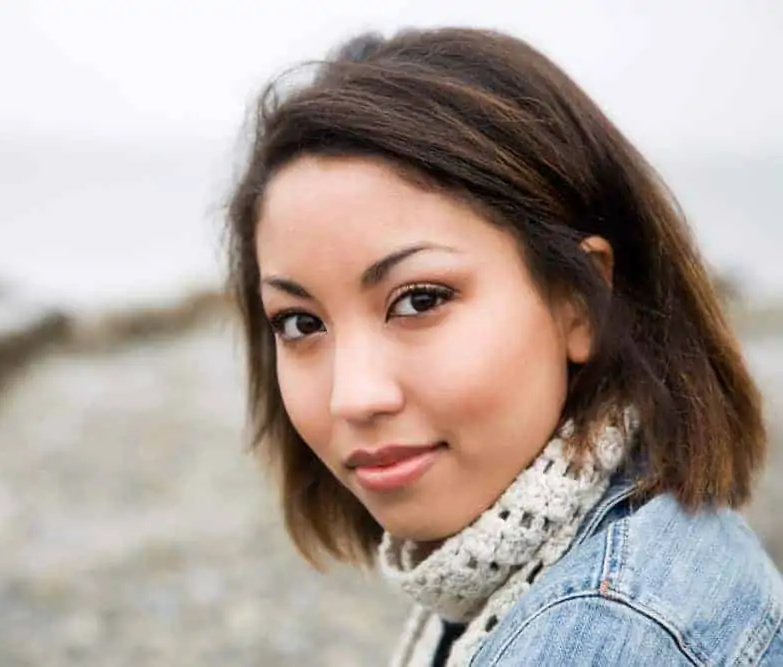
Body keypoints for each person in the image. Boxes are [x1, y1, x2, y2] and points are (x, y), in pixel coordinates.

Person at [224, 27, 783, 666]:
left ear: (581, 302)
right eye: (300, 324)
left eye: (420, 300)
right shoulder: (621, 548)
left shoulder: (609, 632)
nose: (353, 396)